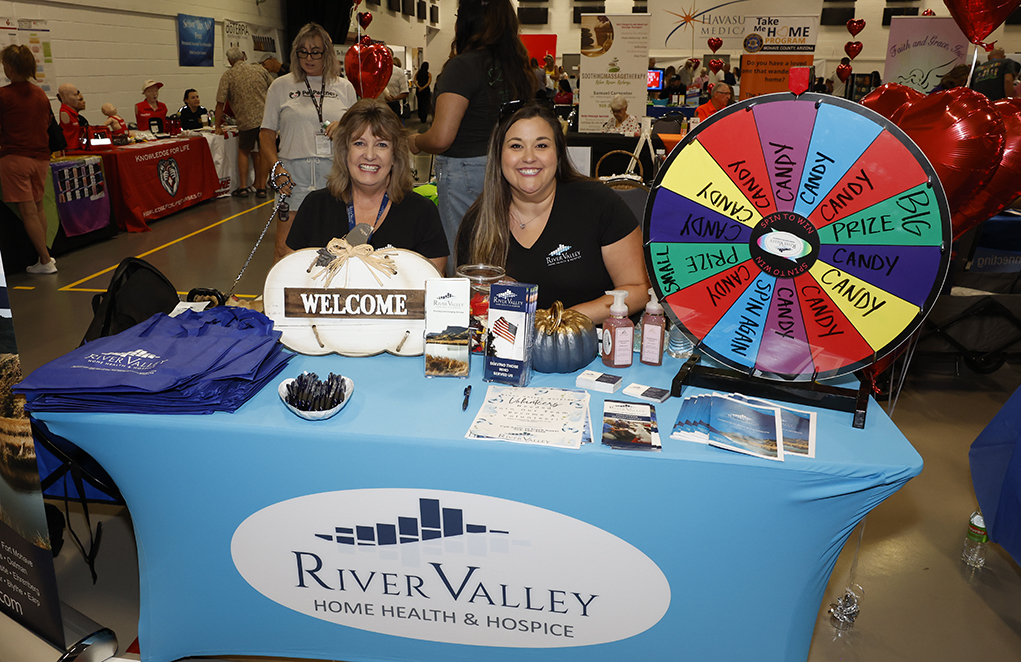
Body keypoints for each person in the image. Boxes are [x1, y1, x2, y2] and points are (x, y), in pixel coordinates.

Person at [456, 102, 650, 324]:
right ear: (499, 156)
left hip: (594, 348)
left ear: (558, 153)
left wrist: (559, 321)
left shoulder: (598, 203)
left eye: (541, 145)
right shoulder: (478, 223)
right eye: (516, 146)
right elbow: (470, 305)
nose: (529, 157)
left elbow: (637, 290)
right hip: (507, 350)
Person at [407, 0, 535, 271]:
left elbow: (442, 137)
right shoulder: (518, 69)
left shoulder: (463, 67)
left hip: (465, 169)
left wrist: (416, 142)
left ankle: (468, 312)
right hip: (508, 166)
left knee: (464, 253)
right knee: (501, 249)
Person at [284, 99, 448, 273]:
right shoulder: (315, 207)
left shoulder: (422, 213)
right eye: (359, 143)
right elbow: (289, 277)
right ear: (345, 151)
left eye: (382, 145)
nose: (369, 155)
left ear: (394, 156)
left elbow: (432, 285)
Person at [261, 22, 358, 261]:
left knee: (340, 246)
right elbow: (266, 133)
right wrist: (276, 168)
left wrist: (345, 126)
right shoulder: (280, 86)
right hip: (292, 175)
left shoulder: (344, 87)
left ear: (327, 52)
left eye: (316, 51)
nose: (309, 57)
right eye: (303, 51)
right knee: (284, 247)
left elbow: (360, 132)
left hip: (334, 172)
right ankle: (280, 297)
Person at [0, 45, 57, 273]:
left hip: (15, 158)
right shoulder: (40, 93)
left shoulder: (4, 95)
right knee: (38, 207)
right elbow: (47, 124)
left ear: (10, 68)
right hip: (40, 158)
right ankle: (46, 256)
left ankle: (44, 260)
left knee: (28, 211)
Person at [216, 46, 275, 198]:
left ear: (229, 61)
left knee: (243, 151)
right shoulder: (259, 70)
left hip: (245, 121)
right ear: (243, 57)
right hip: (264, 119)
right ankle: (262, 187)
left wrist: (217, 126)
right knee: (263, 152)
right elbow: (274, 88)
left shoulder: (228, 75)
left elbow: (220, 102)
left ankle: (243, 187)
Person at [57, 83, 87, 148]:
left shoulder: (77, 116)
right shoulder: (65, 113)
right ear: (66, 96)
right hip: (71, 148)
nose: (77, 98)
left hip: (77, 147)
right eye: (75, 95)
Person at [380, 55, 409, 121]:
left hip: (393, 105)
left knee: (393, 127)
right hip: (378, 105)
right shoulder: (375, 71)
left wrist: (394, 98)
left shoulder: (399, 72)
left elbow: (405, 92)